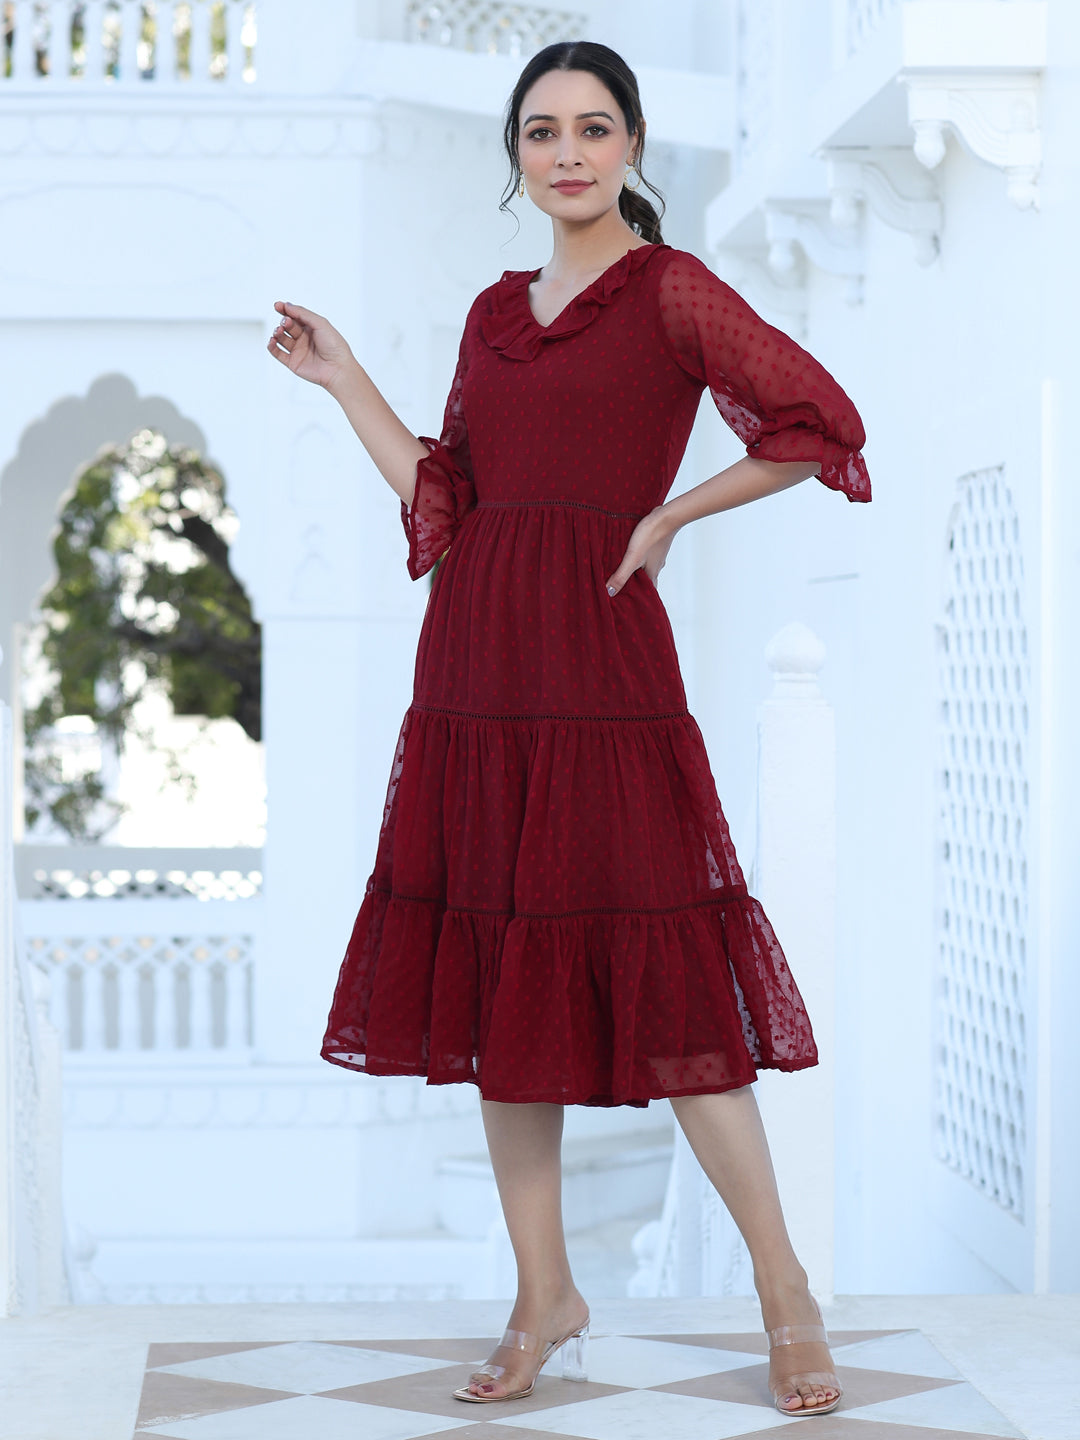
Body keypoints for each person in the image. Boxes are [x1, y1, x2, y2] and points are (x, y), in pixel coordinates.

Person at [267, 38, 869, 1418]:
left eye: (595, 128)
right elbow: (448, 494)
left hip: (602, 667)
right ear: (518, 156)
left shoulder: (671, 290)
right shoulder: (494, 312)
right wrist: (346, 380)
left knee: (678, 981)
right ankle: (544, 1292)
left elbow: (816, 420)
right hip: (477, 673)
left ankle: (786, 1288)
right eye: (542, 131)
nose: (569, 153)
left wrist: (669, 515)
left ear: (634, 144)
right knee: (501, 976)